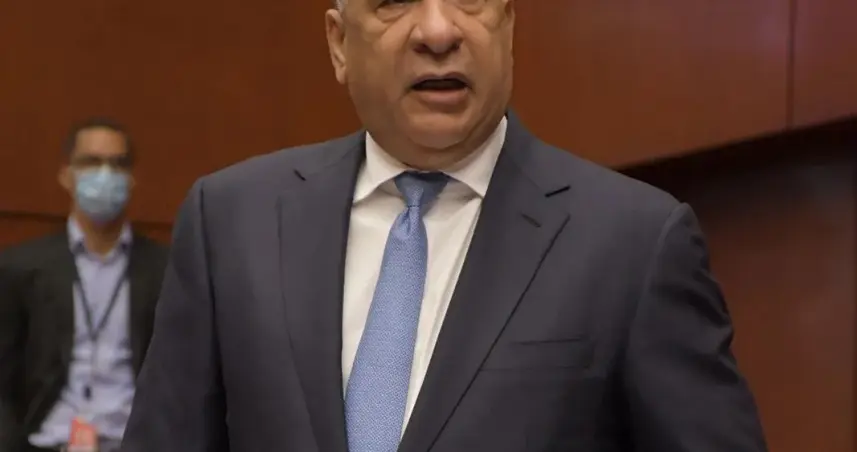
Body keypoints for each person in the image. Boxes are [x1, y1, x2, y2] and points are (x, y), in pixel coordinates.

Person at [122, 0, 768, 451]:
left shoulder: (634, 242)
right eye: (394, 2)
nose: (437, 30)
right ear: (338, 44)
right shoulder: (232, 222)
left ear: (508, 24)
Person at [0, 118, 169, 452]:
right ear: (66, 175)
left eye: (117, 164)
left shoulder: (165, 270)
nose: (105, 174)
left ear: (132, 179)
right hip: (46, 443)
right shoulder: (20, 267)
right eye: (91, 162)